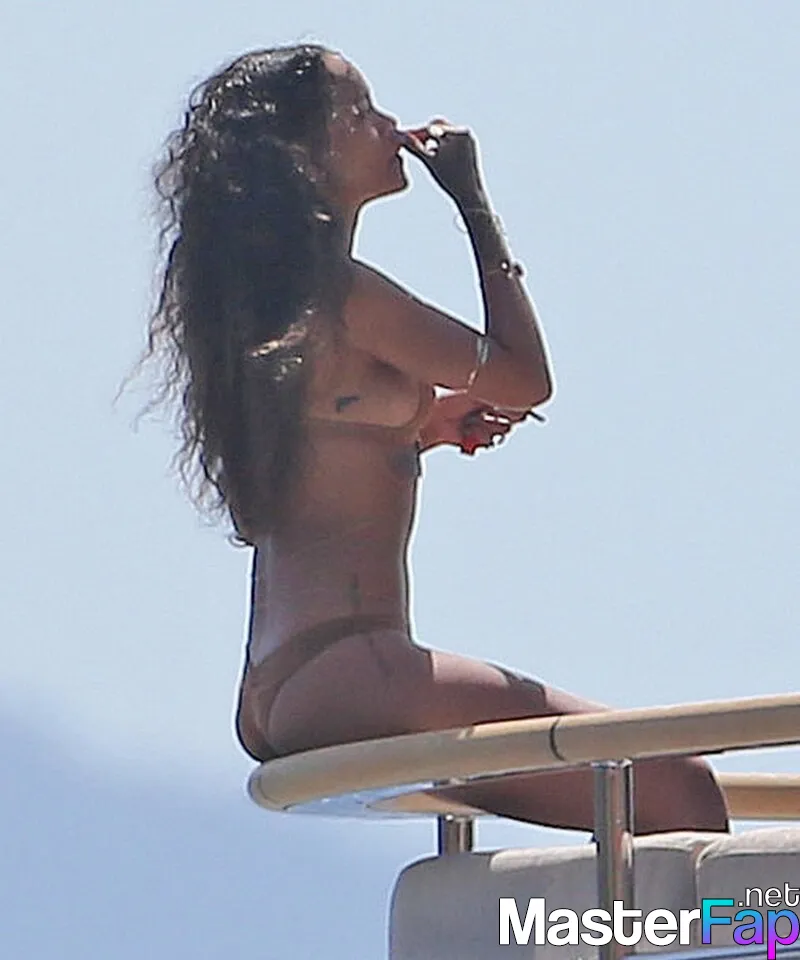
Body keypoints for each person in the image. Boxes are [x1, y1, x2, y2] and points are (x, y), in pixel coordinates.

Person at [142, 43, 729, 833]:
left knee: (645, 804)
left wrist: (422, 427)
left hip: (286, 682)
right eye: (361, 112)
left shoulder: (273, 307)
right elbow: (523, 376)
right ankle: (762, 917)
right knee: (680, 790)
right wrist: (473, 203)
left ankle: (696, 914)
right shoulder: (342, 294)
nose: (389, 124)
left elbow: (314, 459)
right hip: (352, 663)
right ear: (306, 154)